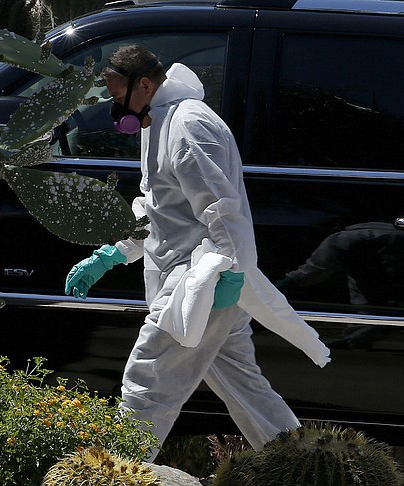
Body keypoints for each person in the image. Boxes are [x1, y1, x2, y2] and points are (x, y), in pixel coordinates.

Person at [64, 45, 329, 460]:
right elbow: (157, 206)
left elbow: (222, 208)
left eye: (117, 97)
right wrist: (113, 253)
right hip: (199, 280)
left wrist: (232, 272)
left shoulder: (188, 125)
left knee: (146, 385)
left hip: (200, 283)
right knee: (248, 393)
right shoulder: (159, 121)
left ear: (145, 85)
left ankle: (114, 472)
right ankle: (306, 468)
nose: (114, 108)